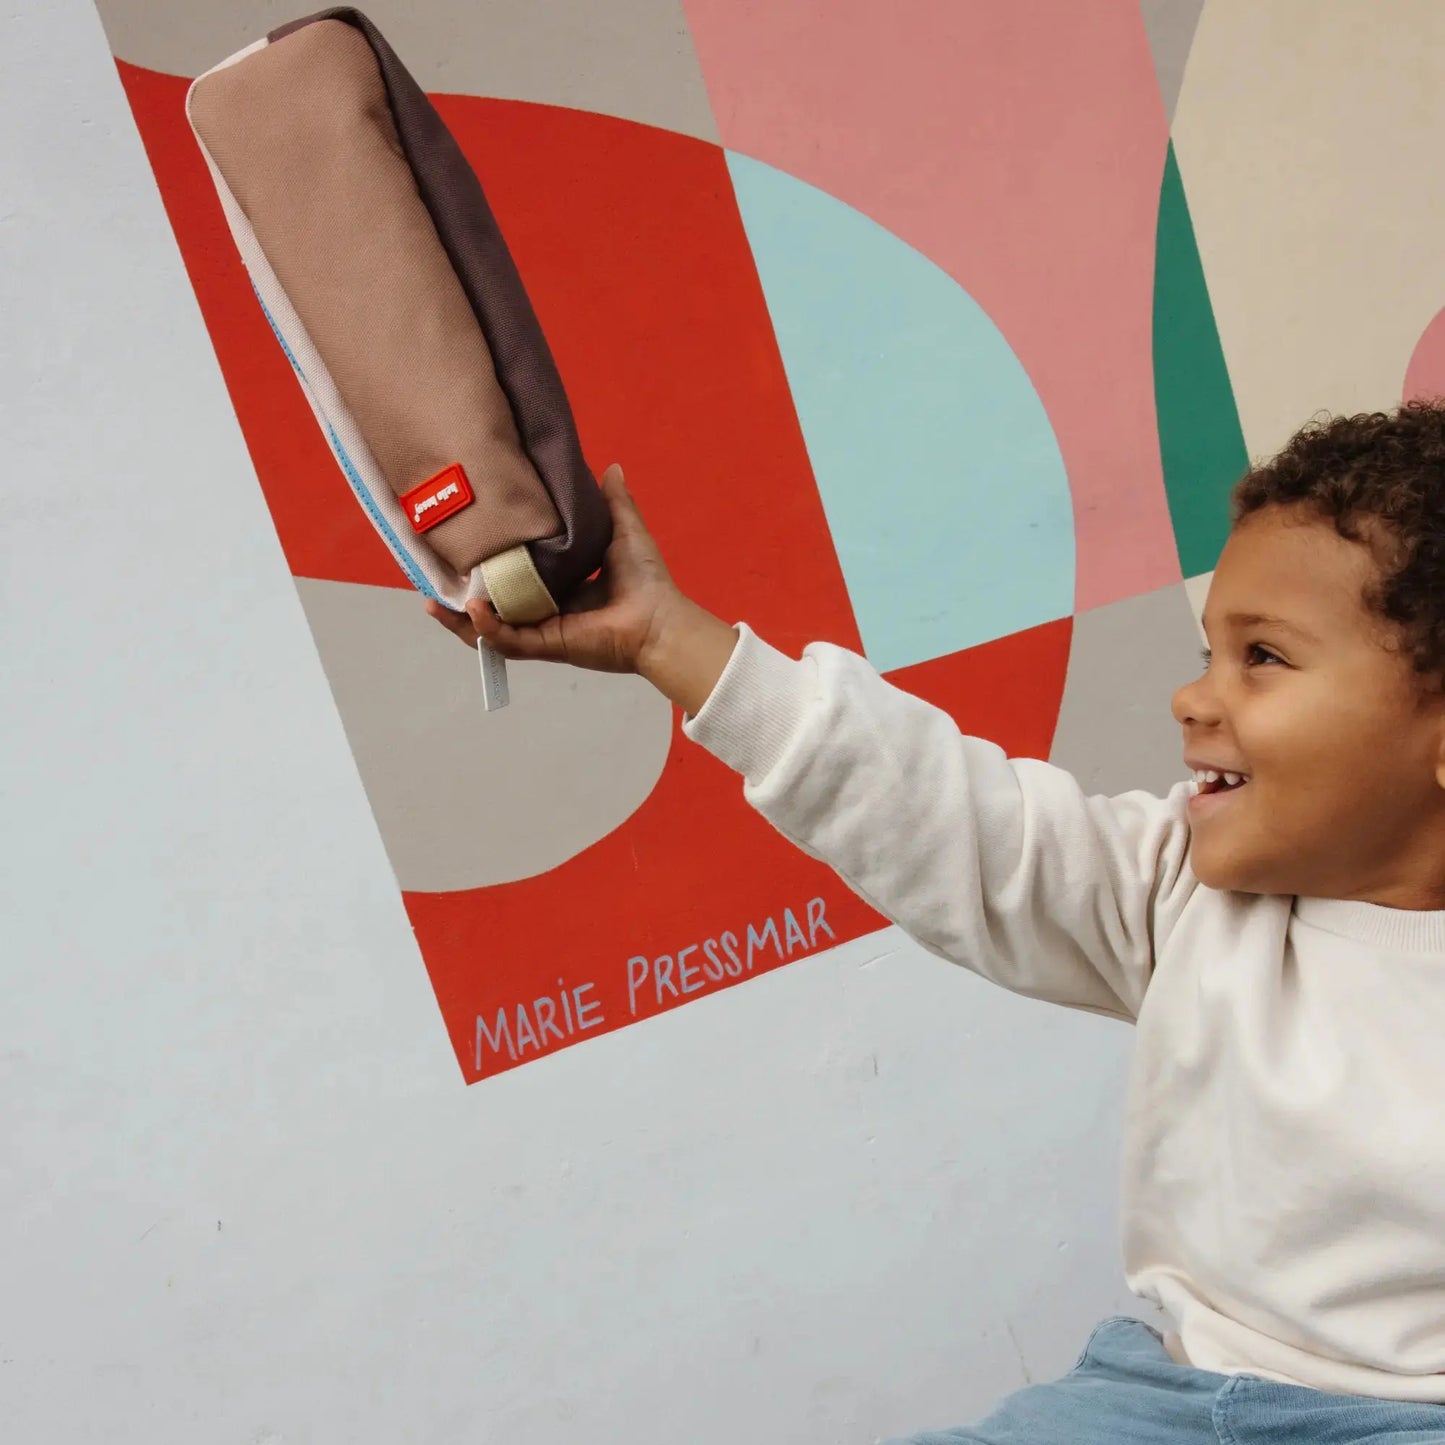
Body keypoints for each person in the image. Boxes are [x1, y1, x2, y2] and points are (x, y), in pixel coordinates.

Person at [427, 401, 1445, 1442]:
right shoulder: (1178, 892)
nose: (1192, 696)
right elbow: (944, 815)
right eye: (1208, 652)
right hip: (1161, 1403)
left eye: (1262, 656)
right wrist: (669, 638)